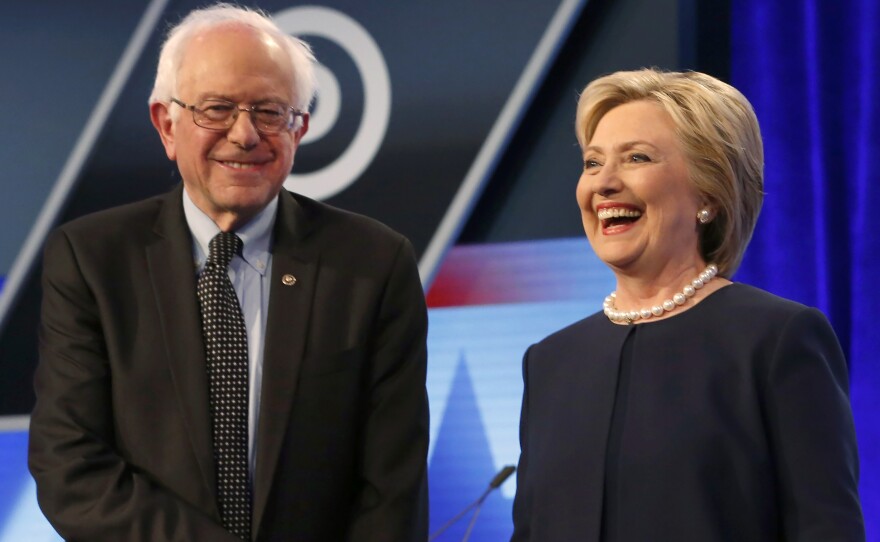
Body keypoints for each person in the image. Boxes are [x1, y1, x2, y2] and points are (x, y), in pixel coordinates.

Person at [28, 4, 429, 541]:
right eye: (216, 109)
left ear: (300, 129)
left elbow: (392, 490)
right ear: (166, 124)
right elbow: (70, 467)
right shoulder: (91, 260)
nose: (244, 135)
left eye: (269, 111)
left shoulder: (373, 266)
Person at [511, 68, 864, 541]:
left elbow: (826, 529)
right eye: (593, 163)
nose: (604, 184)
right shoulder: (550, 362)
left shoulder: (776, 340)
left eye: (637, 157)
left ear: (708, 193)